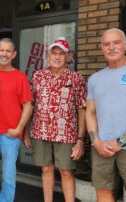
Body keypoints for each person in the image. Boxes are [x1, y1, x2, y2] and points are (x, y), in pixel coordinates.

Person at [24, 37, 87, 202]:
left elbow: (82, 110)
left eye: (61, 53)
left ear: (68, 56)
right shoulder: (38, 76)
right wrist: (25, 131)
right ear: (48, 55)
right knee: (46, 169)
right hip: (40, 130)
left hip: (66, 133)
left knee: (66, 171)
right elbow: (30, 105)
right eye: (54, 53)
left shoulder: (76, 78)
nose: (57, 57)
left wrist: (80, 139)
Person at [0, 38, 33, 202]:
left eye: (8, 51)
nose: (4, 54)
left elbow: (28, 107)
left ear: (14, 54)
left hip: (10, 134)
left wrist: (19, 129)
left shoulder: (20, 77)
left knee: (8, 176)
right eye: (1, 50)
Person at [86, 28, 126, 202]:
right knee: (102, 190)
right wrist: (96, 141)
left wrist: (121, 142)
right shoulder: (95, 79)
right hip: (101, 147)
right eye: (106, 44)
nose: (111, 47)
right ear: (102, 48)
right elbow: (90, 112)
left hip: (124, 145)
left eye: (116, 42)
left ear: (124, 45)